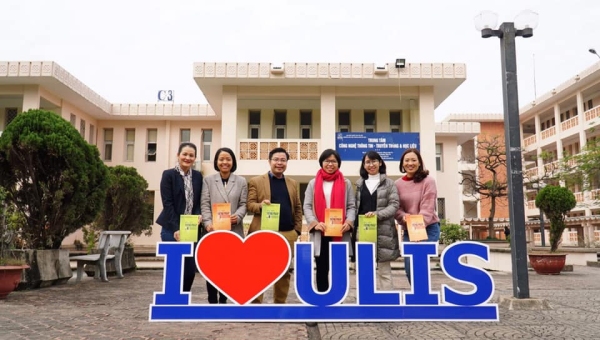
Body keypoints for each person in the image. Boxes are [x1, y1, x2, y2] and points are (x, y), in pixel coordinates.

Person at [247, 147, 302, 304]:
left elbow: (298, 208)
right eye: (276, 160)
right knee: (259, 269)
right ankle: (256, 304)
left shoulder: (292, 183)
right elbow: (250, 204)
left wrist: (296, 231)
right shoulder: (256, 181)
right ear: (269, 161)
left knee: (284, 271)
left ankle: (280, 303)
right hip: (263, 233)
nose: (279, 163)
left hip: (287, 233)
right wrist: (261, 206)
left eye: (283, 160)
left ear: (286, 163)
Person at [304, 149, 356, 292]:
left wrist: (349, 222)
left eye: (333, 161)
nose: (330, 164)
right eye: (327, 161)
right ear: (321, 162)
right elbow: (307, 206)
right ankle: (323, 300)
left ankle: (338, 300)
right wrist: (314, 223)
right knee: (321, 268)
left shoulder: (346, 183)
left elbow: (352, 206)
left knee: (339, 269)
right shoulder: (313, 183)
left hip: (339, 232)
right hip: (321, 232)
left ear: (338, 163)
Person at [201, 147, 248, 304]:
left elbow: (243, 204)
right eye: (221, 159)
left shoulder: (241, 181)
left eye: (228, 159)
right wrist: (208, 223)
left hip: (234, 230)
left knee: (230, 269)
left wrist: (239, 216)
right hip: (213, 231)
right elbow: (205, 204)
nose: (224, 162)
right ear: (216, 162)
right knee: (213, 268)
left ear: (233, 162)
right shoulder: (208, 180)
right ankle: (212, 300)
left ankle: (224, 299)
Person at [156, 142, 203, 292]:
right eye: (185, 154)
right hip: (171, 228)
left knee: (189, 270)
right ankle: (171, 301)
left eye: (191, 155)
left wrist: (198, 215)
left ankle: (183, 301)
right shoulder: (168, 175)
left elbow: (198, 201)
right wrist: (176, 228)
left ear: (195, 158)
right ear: (178, 155)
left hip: (191, 229)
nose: (187, 158)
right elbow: (167, 203)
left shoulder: (197, 176)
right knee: (174, 269)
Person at [355, 151, 400, 290]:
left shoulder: (389, 183)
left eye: (374, 161)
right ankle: (367, 300)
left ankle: (388, 302)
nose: (371, 164)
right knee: (364, 270)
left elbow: (394, 205)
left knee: (384, 271)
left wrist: (377, 214)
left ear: (380, 163)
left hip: (383, 232)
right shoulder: (359, 184)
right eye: (367, 162)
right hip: (364, 232)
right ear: (364, 165)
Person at [394, 148, 440, 284]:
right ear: (402, 164)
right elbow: (396, 208)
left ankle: (423, 298)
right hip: (408, 229)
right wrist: (404, 217)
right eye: (406, 160)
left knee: (419, 262)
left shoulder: (428, 181)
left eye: (414, 160)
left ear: (419, 163)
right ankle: (417, 294)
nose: (410, 163)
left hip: (428, 228)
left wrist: (418, 230)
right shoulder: (397, 184)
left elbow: (428, 208)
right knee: (409, 265)